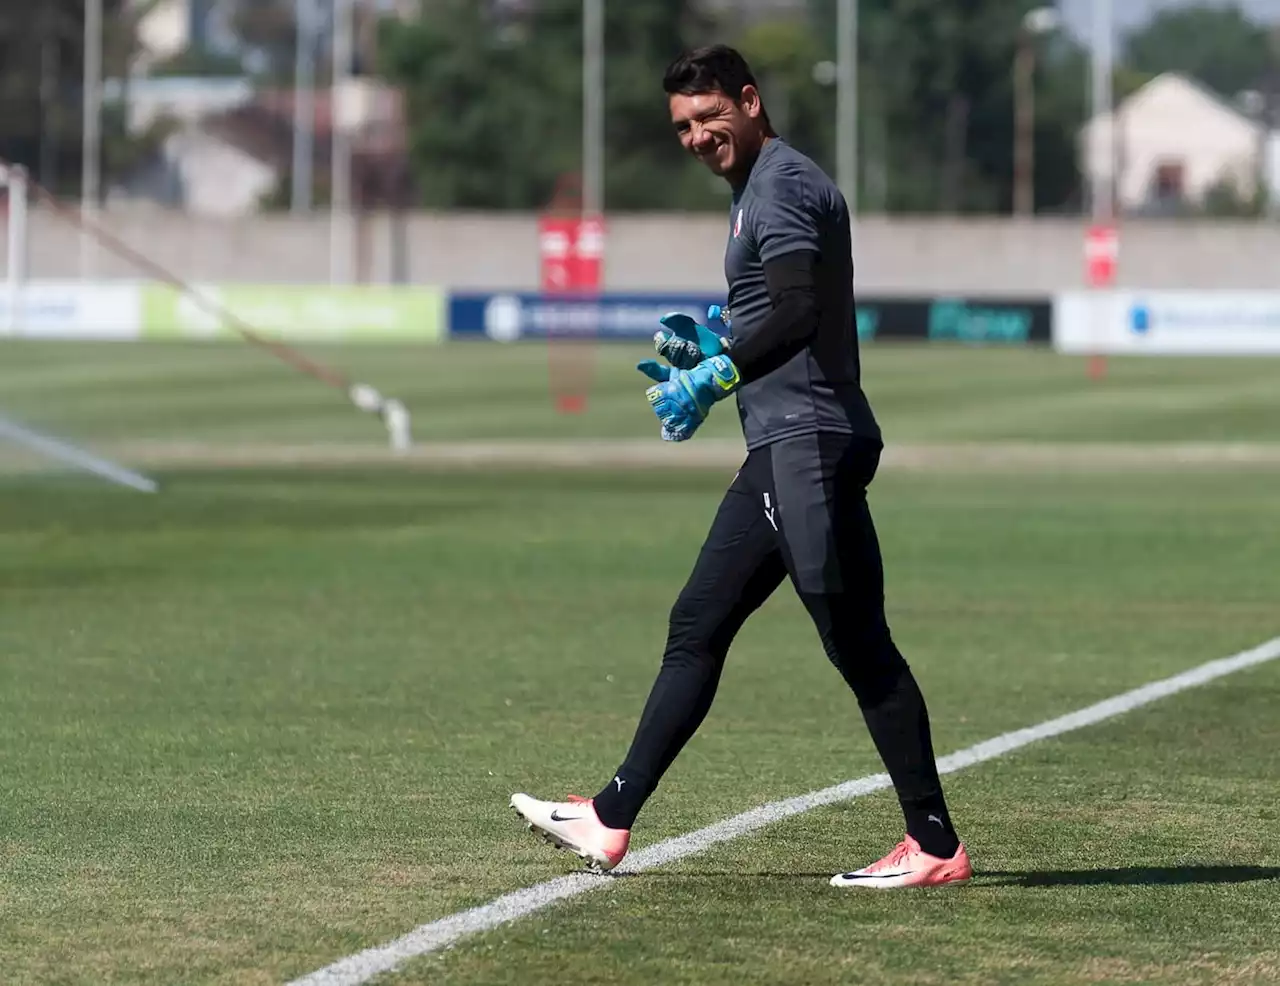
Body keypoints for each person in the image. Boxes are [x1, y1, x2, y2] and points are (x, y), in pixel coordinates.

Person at [511, 45, 971, 890]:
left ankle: (934, 842)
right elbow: (777, 305)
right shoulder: (755, 191)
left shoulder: (785, 185)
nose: (696, 136)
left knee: (859, 647)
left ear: (751, 102)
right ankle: (611, 817)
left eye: (709, 116)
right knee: (698, 624)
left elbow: (799, 310)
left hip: (809, 445)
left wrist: (716, 374)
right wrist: (712, 345)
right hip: (781, 449)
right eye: (683, 125)